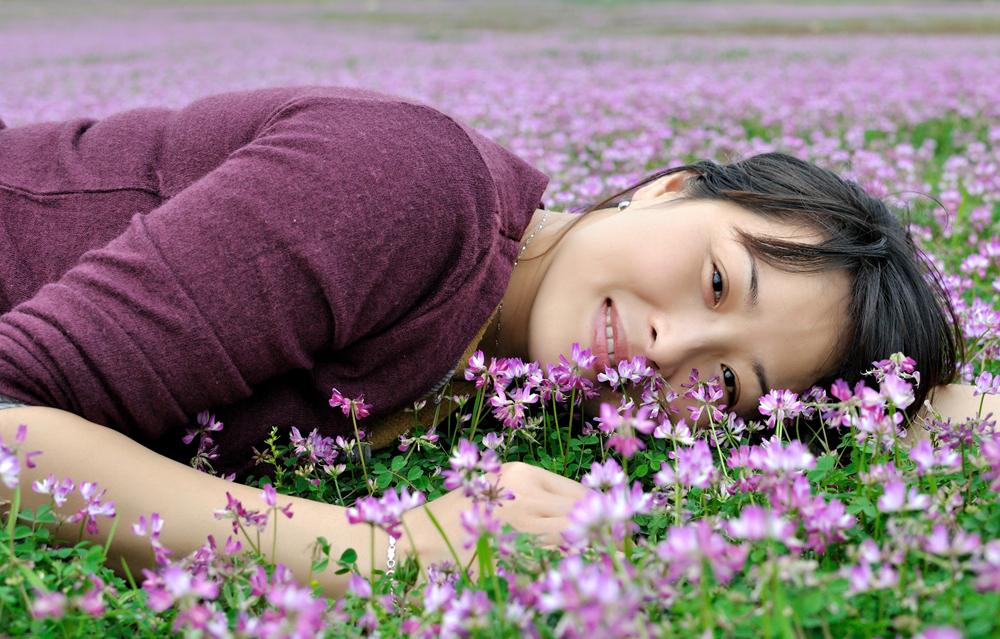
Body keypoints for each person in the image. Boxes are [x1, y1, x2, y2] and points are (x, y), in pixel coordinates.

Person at [0, 86, 992, 598]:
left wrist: (925, 408)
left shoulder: (525, 390)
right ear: (669, 185)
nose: (664, 345)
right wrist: (384, 548)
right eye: (718, 281)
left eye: (727, 381)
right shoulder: (399, 186)